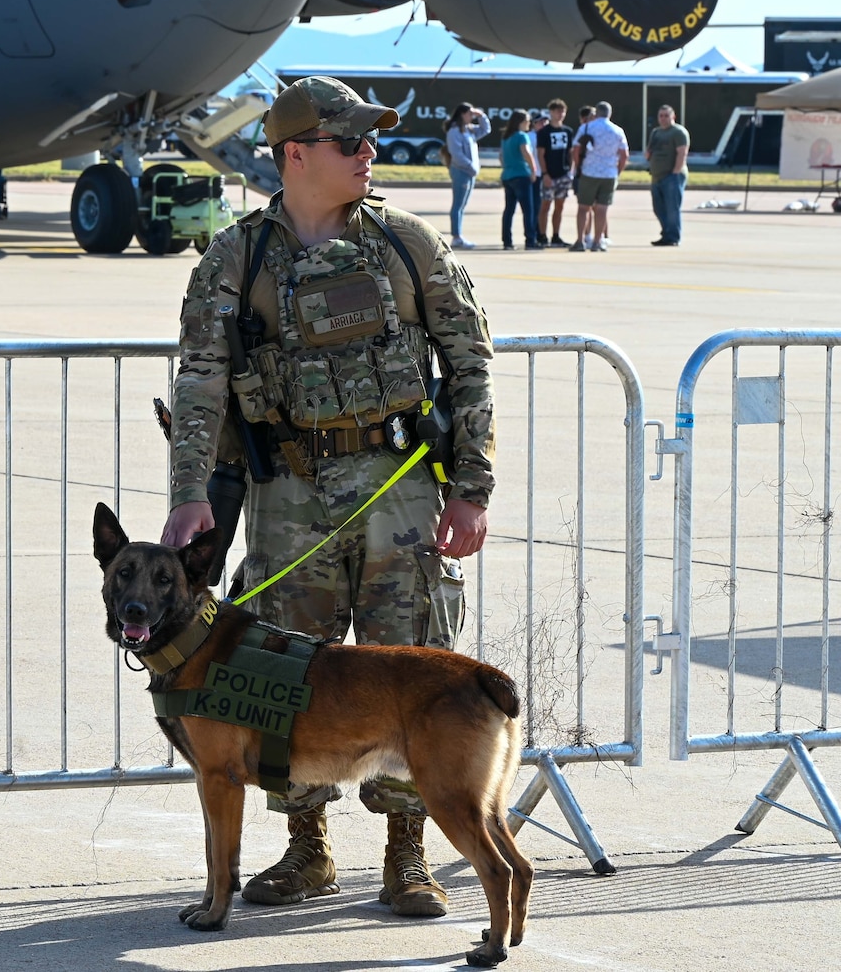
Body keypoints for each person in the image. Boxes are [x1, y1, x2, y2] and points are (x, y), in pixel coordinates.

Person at [161, 76, 494, 921]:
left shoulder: (407, 243)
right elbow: (200, 384)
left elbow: (470, 363)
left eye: (370, 140)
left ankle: (407, 857)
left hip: (399, 493)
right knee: (273, 679)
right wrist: (190, 493)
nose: (368, 152)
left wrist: (471, 486)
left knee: (410, 666)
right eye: (350, 142)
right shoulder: (235, 258)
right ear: (295, 153)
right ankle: (305, 848)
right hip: (288, 495)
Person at [570, 102, 627, 252]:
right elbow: (624, 154)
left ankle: (580, 240)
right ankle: (597, 241)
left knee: (583, 208)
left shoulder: (586, 127)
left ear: (596, 114)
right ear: (610, 113)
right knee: (602, 209)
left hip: (589, 172)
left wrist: (578, 167)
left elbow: (576, 149)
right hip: (609, 173)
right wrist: (617, 171)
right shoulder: (618, 131)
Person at [441, 103, 488, 250]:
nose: (472, 116)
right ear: (462, 114)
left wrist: (481, 115)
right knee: (458, 205)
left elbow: (486, 129)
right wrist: (471, 167)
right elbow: (457, 154)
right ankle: (457, 237)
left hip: (469, 172)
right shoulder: (454, 131)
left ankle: (458, 235)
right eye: (470, 114)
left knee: (462, 205)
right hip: (461, 171)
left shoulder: (469, 129)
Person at [646, 104, 690, 247]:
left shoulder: (678, 132)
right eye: (661, 116)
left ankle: (673, 237)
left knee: (672, 208)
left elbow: (682, 153)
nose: (663, 119)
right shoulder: (656, 132)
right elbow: (649, 150)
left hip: (672, 176)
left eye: (666, 116)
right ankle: (666, 233)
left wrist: (675, 172)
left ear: (673, 117)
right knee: (658, 208)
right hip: (656, 176)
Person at [534, 99, 573, 248]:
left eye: (562, 111)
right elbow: (540, 154)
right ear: (551, 113)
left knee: (560, 206)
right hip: (549, 174)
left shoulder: (567, 131)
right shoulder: (544, 132)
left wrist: (570, 170)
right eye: (557, 111)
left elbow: (570, 152)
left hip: (563, 174)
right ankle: (542, 235)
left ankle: (556, 235)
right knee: (545, 206)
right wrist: (545, 174)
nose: (560, 114)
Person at [498, 109, 537, 250]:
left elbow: (501, 156)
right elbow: (526, 153)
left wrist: (507, 166)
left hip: (508, 175)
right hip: (521, 175)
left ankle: (507, 241)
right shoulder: (522, 136)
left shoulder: (506, 137)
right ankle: (530, 240)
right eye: (527, 121)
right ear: (521, 122)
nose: (529, 124)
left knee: (509, 210)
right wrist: (533, 170)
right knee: (528, 210)